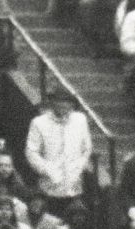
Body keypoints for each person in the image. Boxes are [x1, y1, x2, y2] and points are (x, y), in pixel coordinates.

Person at [25, 87, 92, 215]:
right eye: (59, 102)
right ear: (52, 104)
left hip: (74, 185)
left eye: (67, 103)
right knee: (50, 224)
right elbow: (31, 152)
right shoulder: (39, 123)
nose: (63, 106)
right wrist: (48, 170)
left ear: (72, 105)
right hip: (49, 186)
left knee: (74, 224)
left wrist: (78, 167)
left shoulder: (80, 120)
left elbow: (86, 148)